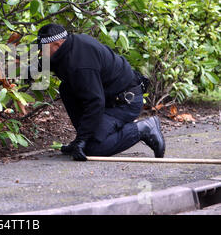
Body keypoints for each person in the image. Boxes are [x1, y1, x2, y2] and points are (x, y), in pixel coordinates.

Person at [36, 23, 165, 161]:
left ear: (57, 44)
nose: (40, 53)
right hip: (108, 98)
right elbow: (44, 64)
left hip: (125, 103)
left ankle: (143, 128)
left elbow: (95, 102)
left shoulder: (81, 64)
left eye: (42, 49)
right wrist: (15, 63)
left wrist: (83, 139)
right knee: (67, 88)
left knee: (94, 149)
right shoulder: (69, 47)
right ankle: (89, 136)